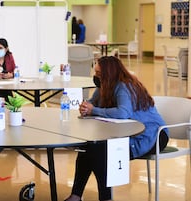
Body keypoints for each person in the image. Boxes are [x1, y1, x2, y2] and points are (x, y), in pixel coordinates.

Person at [64, 56, 169, 201]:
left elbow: (123, 113)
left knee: (100, 151)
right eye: (95, 72)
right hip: (128, 133)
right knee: (89, 147)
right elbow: (93, 102)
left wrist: (93, 110)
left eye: (99, 73)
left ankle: (105, 198)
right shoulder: (105, 85)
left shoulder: (124, 86)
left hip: (151, 136)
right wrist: (86, 106)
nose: (96, 77)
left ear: (108, 74)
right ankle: (75, 196)